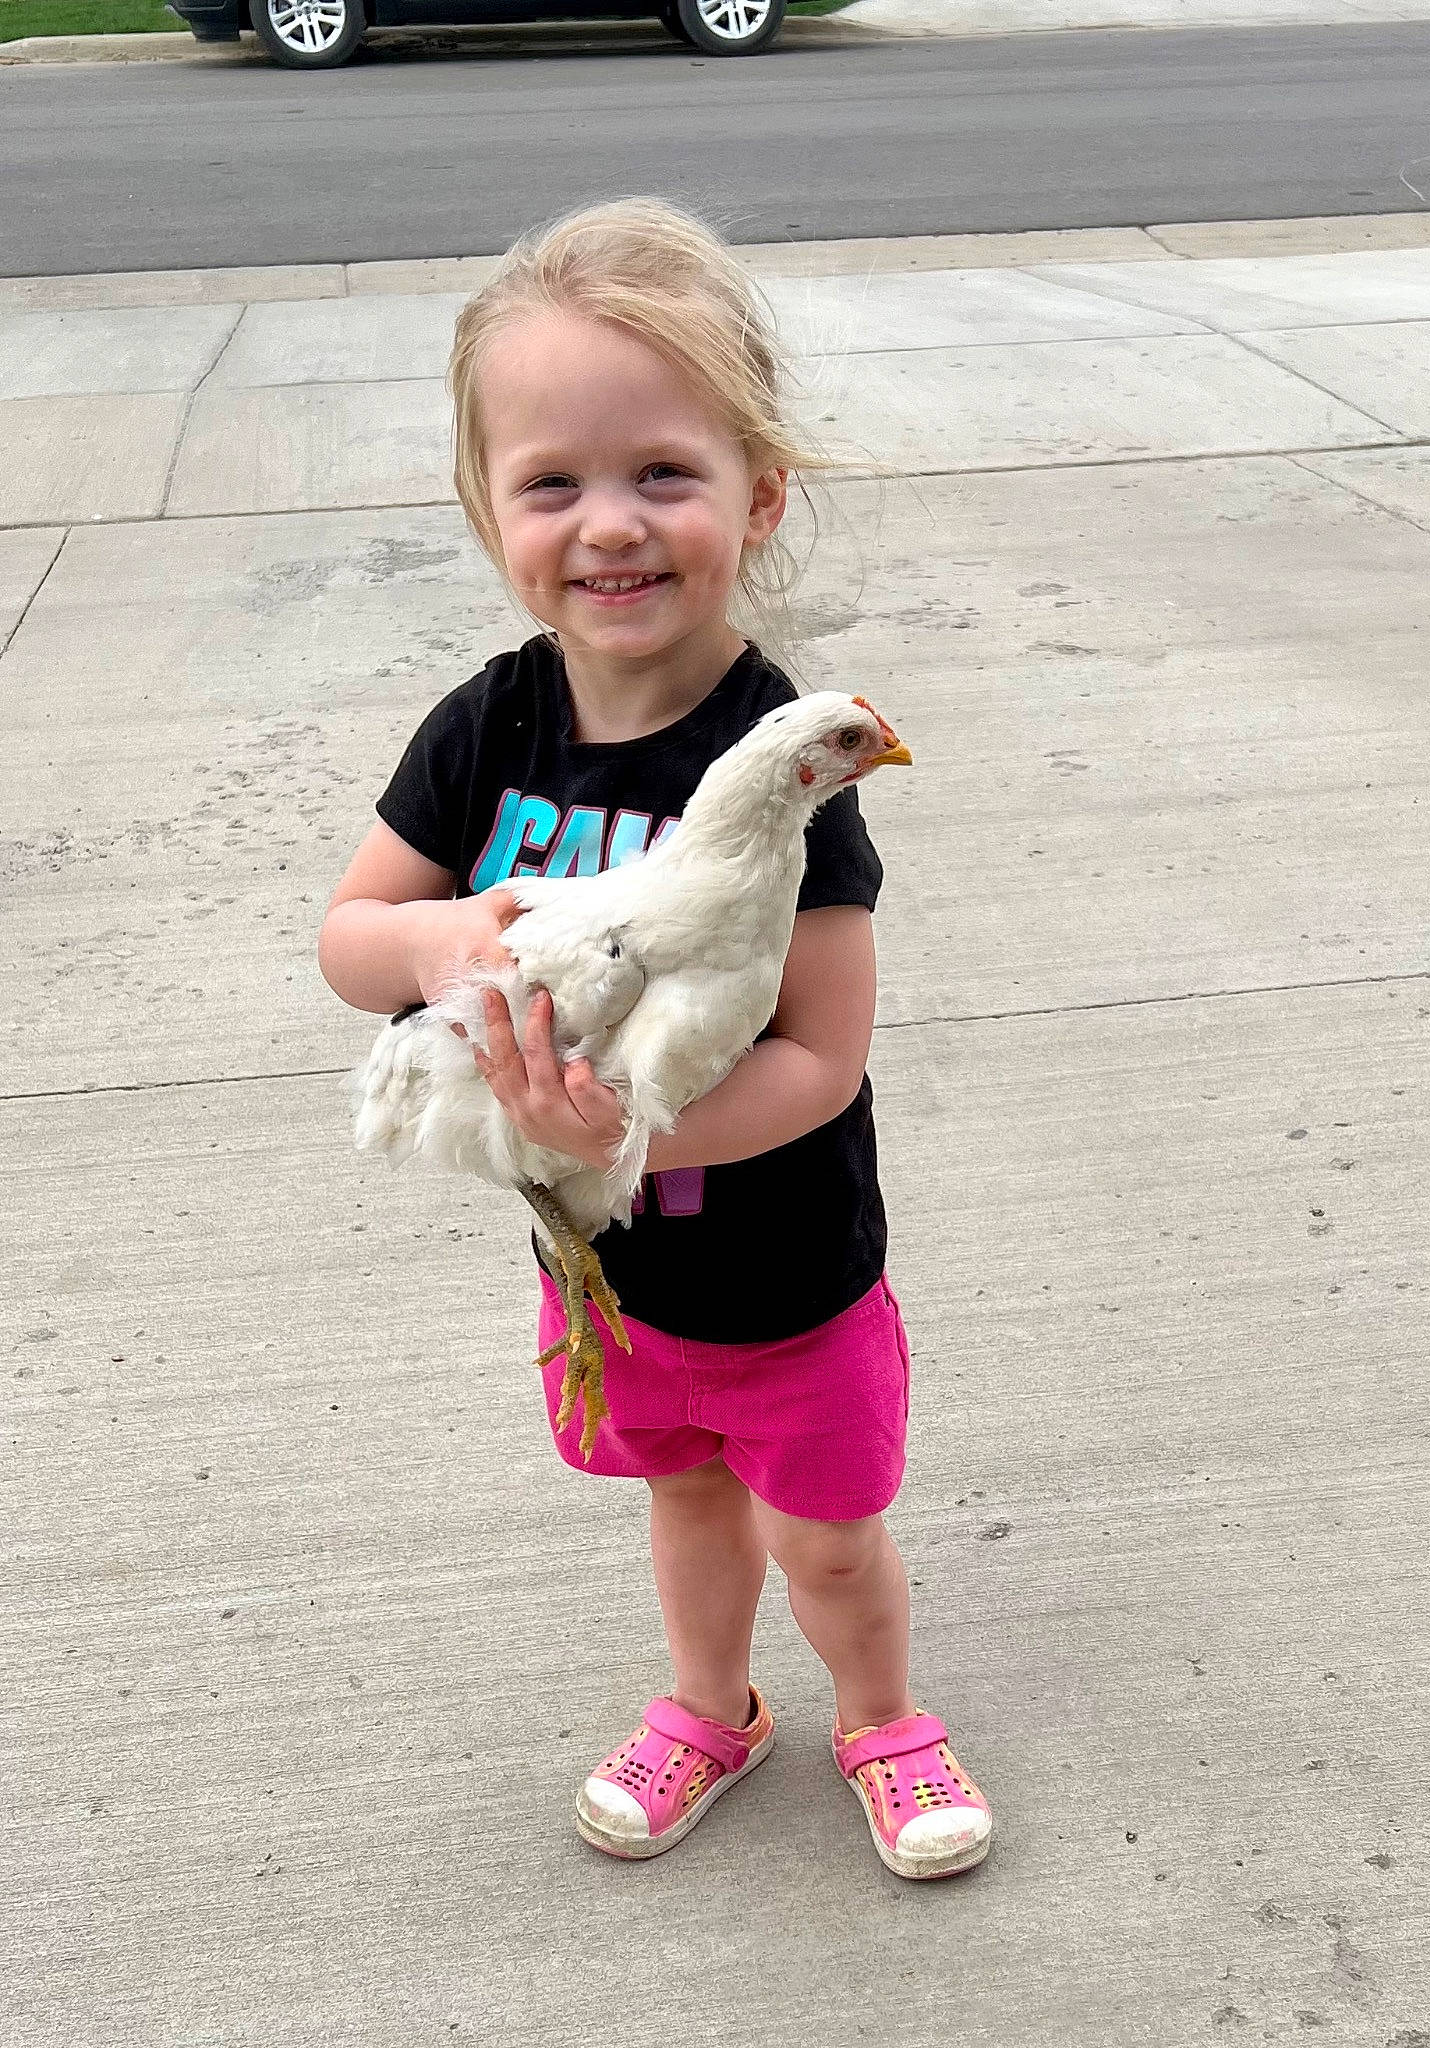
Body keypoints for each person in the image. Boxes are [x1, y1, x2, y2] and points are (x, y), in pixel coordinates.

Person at [317, 198, 991, 1882]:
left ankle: (882, 1722)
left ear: (757, 497)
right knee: (684, 1508)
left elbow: (818, 1059)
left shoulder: (782, 777)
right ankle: (710, 1707)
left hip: (789, 1273)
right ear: (489, 512)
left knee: (824, 1540)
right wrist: (424, 936)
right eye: (552, 483)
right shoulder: (486, 730)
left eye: (663, 477)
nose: (607, 527)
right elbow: (346, 944)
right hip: (610, 1282)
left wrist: (606, 1133)